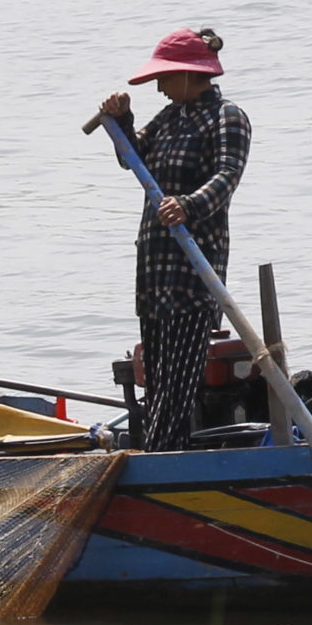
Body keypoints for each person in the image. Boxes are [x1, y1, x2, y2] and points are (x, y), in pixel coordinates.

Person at [97, 28, 250, 452]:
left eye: (165, 79)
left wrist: (188, 205)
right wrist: (121, 120)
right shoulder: (169, 119)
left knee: (179, 384)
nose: (161, 88)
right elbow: (132, 158)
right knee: (158, 378)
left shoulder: (227, 117)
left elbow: (227, 177)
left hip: (191, 270)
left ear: (188, 75)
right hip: (154, 267)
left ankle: (164, 456)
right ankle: (159, 451)